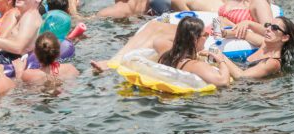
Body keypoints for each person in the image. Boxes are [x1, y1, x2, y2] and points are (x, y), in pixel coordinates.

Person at [91, 15, 231, 87]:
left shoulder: (165, 53)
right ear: (195, 39)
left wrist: (183, 36)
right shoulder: (195, 66)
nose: (207, 37)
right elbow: (223, 82)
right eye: (204, 35)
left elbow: (158, 38)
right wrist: (221, 60)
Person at [220, 15, 294, 81]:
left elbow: (242, 76)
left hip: (247, 89)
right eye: (268, 25)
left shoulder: (273, 63)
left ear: (285, 38)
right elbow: (245, 34)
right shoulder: (265, 44)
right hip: (239, 71)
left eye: (274, 28)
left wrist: (220, 57)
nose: (267, 29)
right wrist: (224, 33)